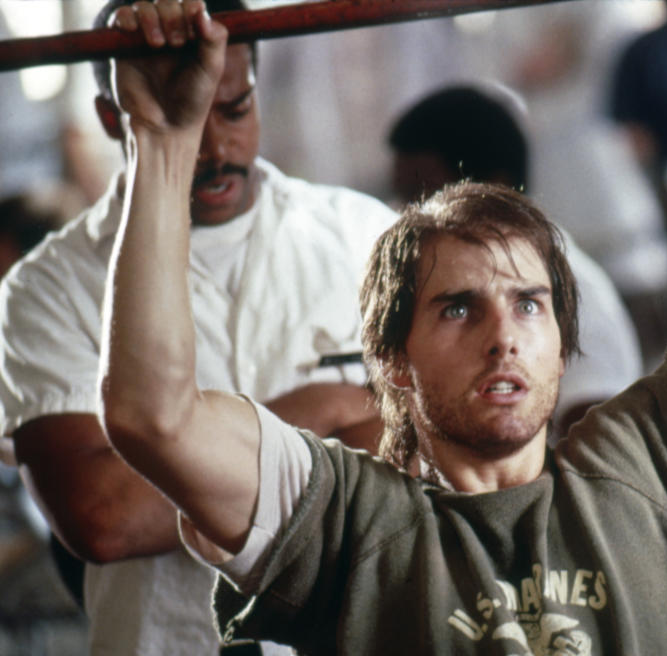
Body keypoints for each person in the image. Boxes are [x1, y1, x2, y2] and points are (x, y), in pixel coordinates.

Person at [97, 0, 667, 652]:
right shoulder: (343, 523)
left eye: (529, 304)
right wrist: (164, 141)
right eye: (456, 307)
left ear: (561, 340)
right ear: (394, 364)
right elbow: (154, 417)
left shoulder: (658, 459)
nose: (502, 334)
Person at [0, 0, 396, 654]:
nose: (213, 147)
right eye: (185, 112)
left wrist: (175, 466)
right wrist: (321, 410)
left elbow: (416, 457)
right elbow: (104, 518)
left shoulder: (364, 238)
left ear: (258, 92)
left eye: (234, 109)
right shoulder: (47, 289)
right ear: (112, 118)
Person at [388, 83, 642, 435]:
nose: (403, 219)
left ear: (493, 187)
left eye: (423, 198)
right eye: (401, 201)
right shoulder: (439, 283)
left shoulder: (571, 292)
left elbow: (596, 443)